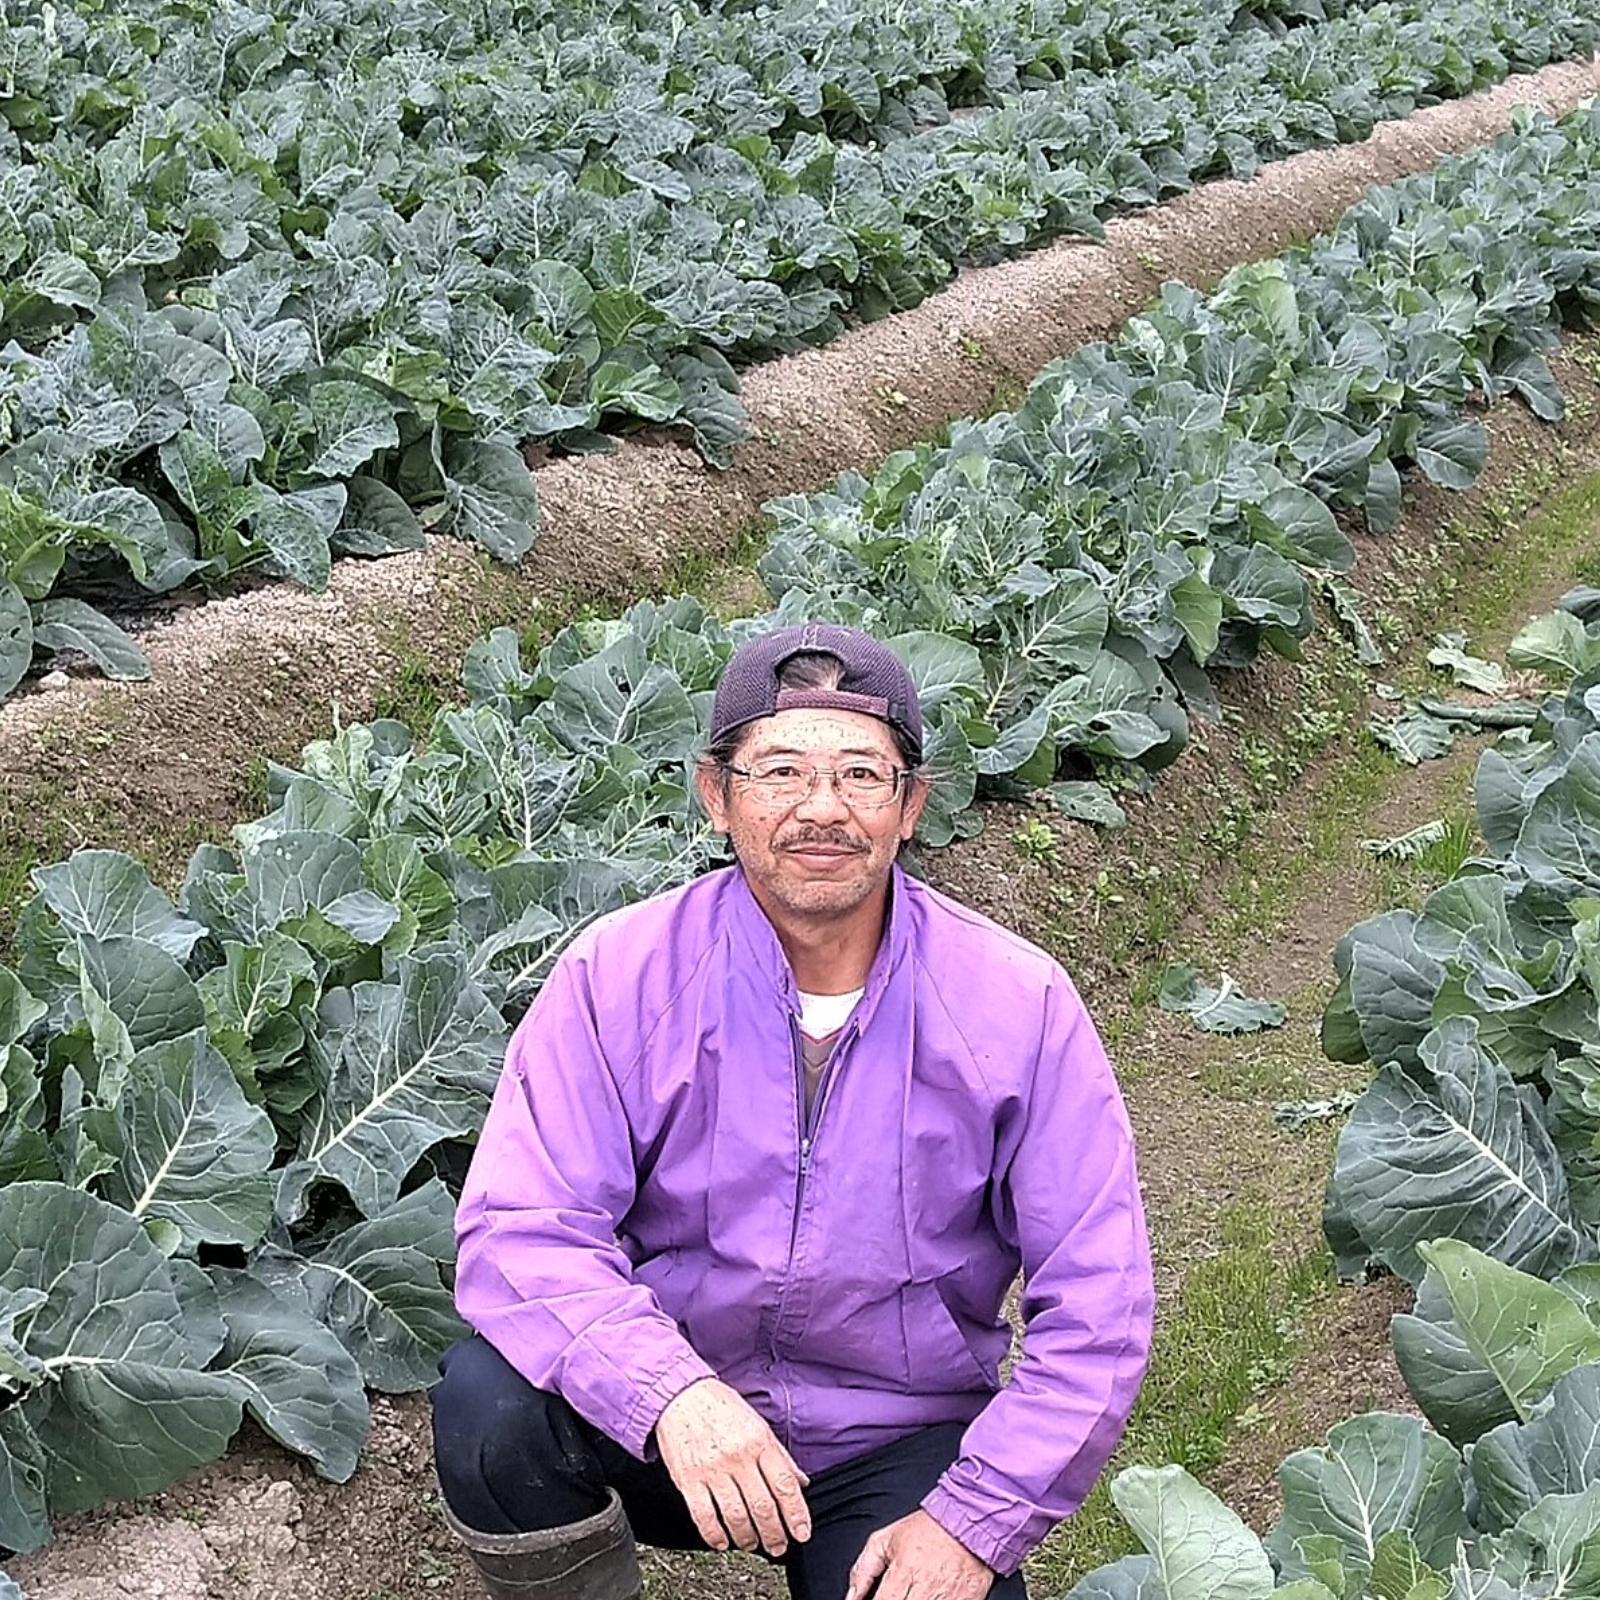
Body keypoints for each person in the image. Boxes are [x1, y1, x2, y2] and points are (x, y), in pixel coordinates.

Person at [431, 622, 1155, 1600]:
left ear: (911, 806)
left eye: (863, 775)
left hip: (891, 1438)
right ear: (716, 796)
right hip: (665, 1418)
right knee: (491, 1406)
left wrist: (972, 1522)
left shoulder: (1014, 1005)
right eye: (779, 771)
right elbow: (522, 1230)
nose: (823, 808)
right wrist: (670, 1391)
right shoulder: (620, 977)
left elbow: (1100, 1306)